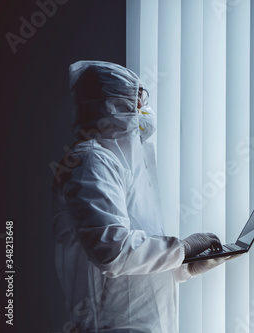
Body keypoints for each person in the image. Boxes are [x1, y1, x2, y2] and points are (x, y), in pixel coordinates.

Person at [52, 60, 232, 333]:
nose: (143, 110)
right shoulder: (91, 161)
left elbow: (133, 269)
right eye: (135, 101)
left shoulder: (123, 160)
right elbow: (112, 250)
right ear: (110, 104)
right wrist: (181, 249)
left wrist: (184, 267)